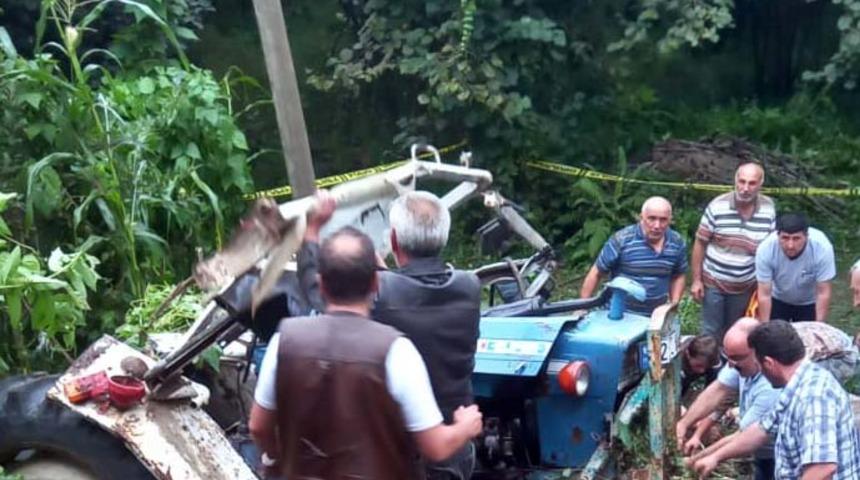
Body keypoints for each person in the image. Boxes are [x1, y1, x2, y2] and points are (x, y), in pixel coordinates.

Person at [249, 227, 483, 479]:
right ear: (375, 283)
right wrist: (465, 426)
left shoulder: (284, 341)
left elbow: (258, 427)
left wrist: (277, 459)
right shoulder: (397, 351)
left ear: (322, 283)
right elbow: (435, 446)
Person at [692, 320, 860, 480]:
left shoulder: (814, 397)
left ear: (769, 363)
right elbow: (761, 430)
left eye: (759, 365)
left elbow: (822, 469)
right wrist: (714, 457)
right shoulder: (795, 386)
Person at [677, 318, 781, 480]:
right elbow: (717, 390)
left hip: (782, 452)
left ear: (759, 352)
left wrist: (696, 460)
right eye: (728, 356)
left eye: (736, 358)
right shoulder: (741, 360)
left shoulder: (770, 388)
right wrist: (683, 424)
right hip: (763, 446)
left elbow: (743, 436)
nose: (730, 365)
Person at [691, 163, 776, 343]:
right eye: (742, 181)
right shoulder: (717, 206)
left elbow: (770, 251)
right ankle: (708, 368)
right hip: (714, 280)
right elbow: (700, 243)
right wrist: (697, 280)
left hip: (746, 284)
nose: (745, 188)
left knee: (737, 332)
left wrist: (764, 285)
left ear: (761, 184)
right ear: (735, 180)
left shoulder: (769, 209)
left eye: (752, 183)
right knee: (710, 332)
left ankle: (731, 367)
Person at [579, 196, 687, 316]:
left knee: (655, 336)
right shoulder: (621, 240)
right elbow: (596, 273)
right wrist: (582, 308)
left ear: (670, 220)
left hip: (655, 319)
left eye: (663, 220)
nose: (657, 225)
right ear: (641, 217)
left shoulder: (677, 242)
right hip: (619, 315)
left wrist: (674, 304)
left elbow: (678, 275)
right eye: (652, 218)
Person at [755, 212, 836, 323]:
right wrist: (765, 326)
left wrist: (818, 326)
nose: (790, 245)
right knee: (774, 337)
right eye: (785, 238)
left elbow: (823, 292)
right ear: (777, 235)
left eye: (796, 238)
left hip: (809, 302)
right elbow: (764, 293)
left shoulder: (822, 248)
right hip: (778, 298)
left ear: (806, 236)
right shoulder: (766, 249)